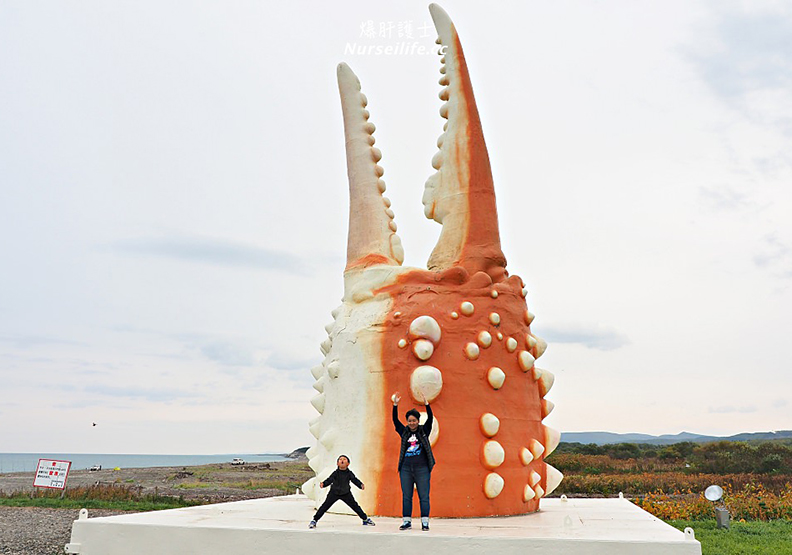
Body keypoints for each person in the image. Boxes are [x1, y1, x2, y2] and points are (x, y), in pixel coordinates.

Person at [392, 392, 435, 531]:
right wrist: (395, 405)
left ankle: (425, 522)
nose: (412, 423)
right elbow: (395, 421)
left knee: (424, 496)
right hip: (406, 468)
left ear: (418, 420)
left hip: (422, 468)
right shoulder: (404, 432)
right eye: (409, 421)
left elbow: (430, 419)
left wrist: (427, 404)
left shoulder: (423, 431)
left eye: (414, 420)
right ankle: (406, 521)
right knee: (407, 496)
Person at [309, 455, 375, 528]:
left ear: (348, 464)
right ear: (337, 463)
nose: (342, 460)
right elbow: (330, 479)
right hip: (334, 493)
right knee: (324, 506)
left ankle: (365, 519)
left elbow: (354, 480)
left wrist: (360, 485)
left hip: (346, 493)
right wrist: (324, 484)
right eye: (340, 459)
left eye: (344, 459)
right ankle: (314, 520)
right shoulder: (335, 473)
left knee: (355, 506)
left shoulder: (349, 473)